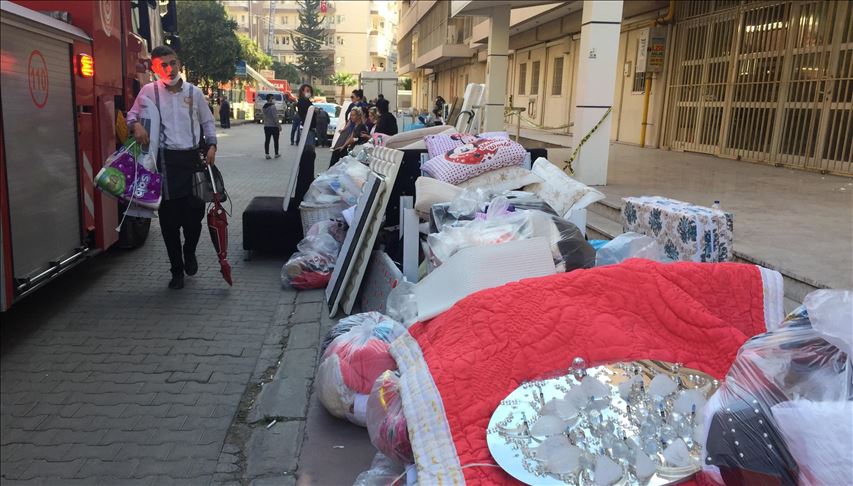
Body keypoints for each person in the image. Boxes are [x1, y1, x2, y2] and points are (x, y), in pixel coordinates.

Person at [127, 45, 217, 290]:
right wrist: (136, 126)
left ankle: (190, 251)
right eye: (162, 65)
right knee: (168, 223)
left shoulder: (194, 92)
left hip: (192, 160)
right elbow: (131, 116)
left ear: (179, 63)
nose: (169, 68)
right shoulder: (148, 91)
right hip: (165, 163)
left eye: (172, 63)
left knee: (194, 218)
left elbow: (208, 122)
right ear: (155, 68)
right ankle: (176, 270)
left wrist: (212, 146)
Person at [262, 94, 281, 159]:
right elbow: (275, 117)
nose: (273, 99)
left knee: (267, 140)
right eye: (272, 98)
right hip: (274, 126)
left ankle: (267, 154)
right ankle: (276, 154)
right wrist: (279, 126)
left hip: (266, 126)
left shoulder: (264, 107)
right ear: (269, 99)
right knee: (276, 141)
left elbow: (264, 116)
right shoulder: (272, 107)